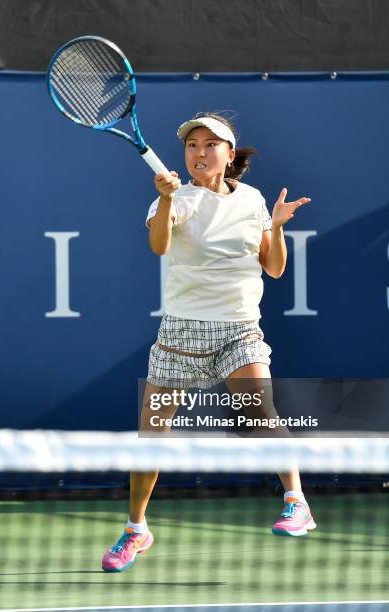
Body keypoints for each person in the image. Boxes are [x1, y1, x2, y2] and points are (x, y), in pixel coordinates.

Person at [101, 112, 315, 573]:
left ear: (228, 154)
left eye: (209, 144)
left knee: (261, 412)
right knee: (151, 435)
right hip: (181, 331)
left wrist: (276, 226)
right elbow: (159, 246)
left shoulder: (254, 200)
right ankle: (136, 529)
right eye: (192, 145)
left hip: (239, 327)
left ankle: (297, 502)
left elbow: (273, 268)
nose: (199, 152)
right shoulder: (178, 198)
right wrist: (164, 200)